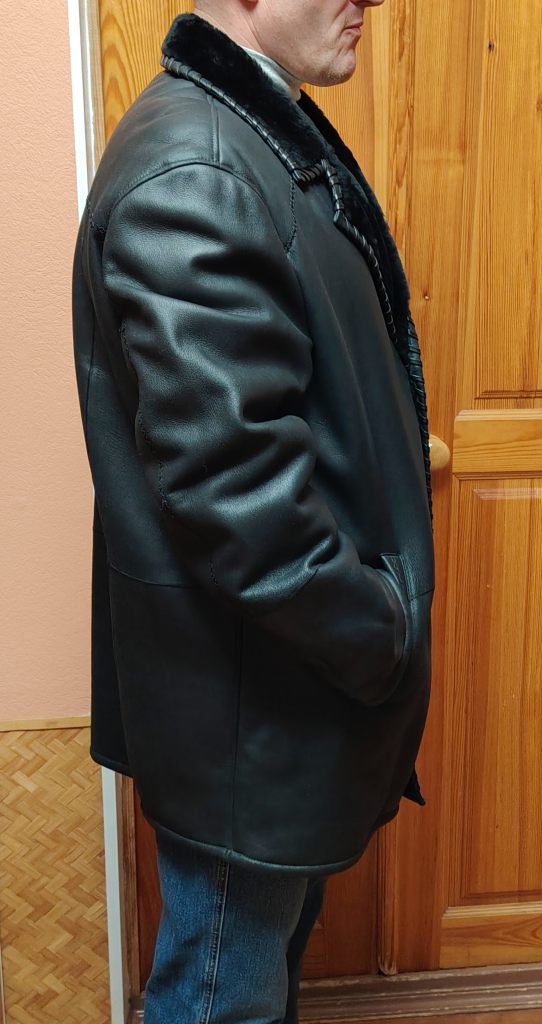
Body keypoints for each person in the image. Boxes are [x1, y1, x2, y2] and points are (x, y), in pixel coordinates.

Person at [71, 1, 435, 1021]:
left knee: (246, 983)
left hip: (268, 694)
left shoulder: (249, 135)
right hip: (250, 712)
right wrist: (379, 634)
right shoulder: (201, 169)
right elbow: (237, 495)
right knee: (220, 999)